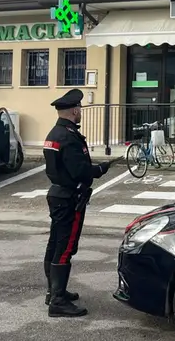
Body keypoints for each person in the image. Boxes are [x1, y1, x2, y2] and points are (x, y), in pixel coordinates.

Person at [43, 89, 111, 317]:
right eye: (79, 108)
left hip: (58, 195)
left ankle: (53, 292)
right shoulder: (69, 137)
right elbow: (79, 170)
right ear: (74, 111)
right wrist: (99, 169)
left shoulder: (54, 133)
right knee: (65, 248)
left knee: (55, 244)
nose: (80, 111)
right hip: (69, 198)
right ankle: (58, 301)